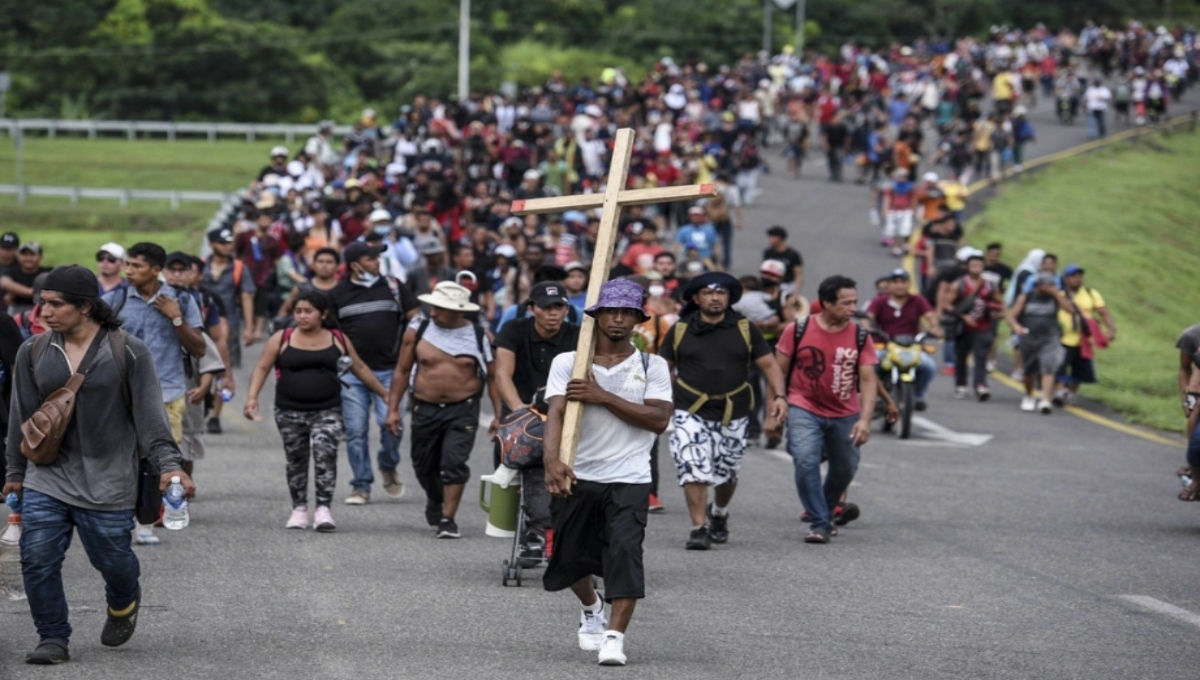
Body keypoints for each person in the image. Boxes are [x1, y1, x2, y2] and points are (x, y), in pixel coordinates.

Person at [4, 265, 195, 665]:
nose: (44, 311)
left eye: (56, 304)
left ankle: (124, 600)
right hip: (48, 475)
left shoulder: (128, 350)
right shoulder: (33, 350)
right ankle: (53, 638)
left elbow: (150, 419)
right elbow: (20, 416)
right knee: (37, 558)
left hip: (110, 479)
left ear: (86, 307)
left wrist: (169, 466)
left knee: (113, 560)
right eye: (42, 302)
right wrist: (15, 474)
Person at [542, 279, 673, 667]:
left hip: (630, 476)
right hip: (578, 473)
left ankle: (614, 638)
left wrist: (603, 397)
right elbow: (556, 413)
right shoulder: (569, 363)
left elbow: (658, 420)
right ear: (596, 316)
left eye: (627, 312)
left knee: (625, 552)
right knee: (569, 558)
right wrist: (552, 460)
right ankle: (591, 608)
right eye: (611, 311)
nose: (618, 318)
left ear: (637, 319)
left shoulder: (652, 365)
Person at [244, 289, 391, 532]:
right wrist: (251, 397)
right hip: (289, 411)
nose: (302, 316)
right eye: (298, 311)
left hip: (327, 409)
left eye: (308, 312)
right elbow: (262, 368)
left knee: (325, 454)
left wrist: (384, 394)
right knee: (296, 460)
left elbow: (361, 368)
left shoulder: (338, 339)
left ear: (323, 314)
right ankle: (299, 509)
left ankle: (323, 509)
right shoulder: (282, 338)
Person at [659, 272, 785, 550]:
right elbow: (661, 367)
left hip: (734, 411)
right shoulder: (681, 328)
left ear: (729, 298)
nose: (715, 298)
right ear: (696, 298)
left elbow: (769, 365)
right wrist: (656, 402)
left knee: (726, 473)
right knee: (693, 467)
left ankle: (719, 513)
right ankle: (698, 527)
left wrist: (779, 397)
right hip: (689, 409)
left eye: (721, 293)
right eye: (708, 292)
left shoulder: (744, 327)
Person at [104, 243, 206, 545]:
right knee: (121, 458)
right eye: (128, 264)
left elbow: (198, 348)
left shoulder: (182, 299)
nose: (129, 270)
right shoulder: (115, 300)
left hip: (168, 392)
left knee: (158, 461)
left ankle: (146, 522)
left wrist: (176, 318)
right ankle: (120, 518)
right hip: (121, 394)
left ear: (155, 269)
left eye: (136, 265)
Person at [385, 282, 499, 538]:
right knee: (423, 465)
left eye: (441, 309)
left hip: (463, 409)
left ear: (459, 311)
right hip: (425, 408)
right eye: (433, 307)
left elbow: (494, 378)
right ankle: (435, 499)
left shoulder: (480, 336)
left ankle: (448, 519)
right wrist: (393, 409)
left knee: (453, 463)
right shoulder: (418, 331)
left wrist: (500, 416)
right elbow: (402, 371)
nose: (433, 313)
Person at [775, 275, 878, 544]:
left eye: (854, 302)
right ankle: (820, 522)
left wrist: (865, 419)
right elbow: (778, 371)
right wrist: (775, 406)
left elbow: (868, 379)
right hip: (803, 406)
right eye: (846, 303)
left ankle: (826, 509)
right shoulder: (797, 330)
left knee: (846, 467)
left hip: (845, 413)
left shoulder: (860, 335)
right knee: (806, 459)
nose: (852, 308)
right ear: (827, 303)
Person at [492, 281, 580, 563]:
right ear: (532, 309)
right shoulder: (514, 329)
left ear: (566, 309)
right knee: (520, 459)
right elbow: (502, 374)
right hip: (524, 415)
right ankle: (534, 529)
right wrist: (520, 411)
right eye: (546, 308)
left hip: (564, 414)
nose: (553, 313)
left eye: (559, 307)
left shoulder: (578, 336)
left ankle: (555, 532)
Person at [328, 241, 419, 504]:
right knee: (356, 431)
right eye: (370, 259)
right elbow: (332, 334)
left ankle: (387, 464)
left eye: (377, 258)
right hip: (351, 374)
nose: (377, 262)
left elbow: (415, 319)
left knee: (392, 426)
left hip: (392, 372)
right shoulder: (338, 294)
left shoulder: (393, 288)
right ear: (354, 265)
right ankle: (361, 485)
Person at [202, 227, 256, 433]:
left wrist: (249, 327)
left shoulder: (239, 268)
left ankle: (215, 415)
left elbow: (246, 297)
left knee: (223, 371)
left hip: (228, 326)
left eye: (229, 243)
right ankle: (204, 402)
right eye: (222, 243)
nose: (227, 246)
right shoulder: (200, 265)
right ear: (212, 244)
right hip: (201, 325)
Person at [865, 268, 941, 411]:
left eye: (903, 282)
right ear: (889, 285)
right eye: (896, 282)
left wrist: (935, 328)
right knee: (870, 364)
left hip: (912, 346)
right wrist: (867, 326)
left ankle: (918, 396)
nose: (900, 285)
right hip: (886, 345)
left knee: (929, 366)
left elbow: (930, 316)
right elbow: (868, 318)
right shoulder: (879, 301)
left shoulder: (917, 300)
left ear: (909, 284)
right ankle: (872, 395)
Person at [1007, 273, 1075, 413]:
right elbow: (1012, 317)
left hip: (1050, 338)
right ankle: (1028, 395)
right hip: (1029, 338)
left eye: (1050, 286)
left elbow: (1070, 309)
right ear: (1037, 286)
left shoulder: (1055, 298)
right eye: (1045, 286)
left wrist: (1056, 293)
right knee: (1029, 371)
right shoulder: (1026, 297)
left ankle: (1045, 399)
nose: (1047, 289)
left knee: (1048, 367)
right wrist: (1017, 327)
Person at [1054, 265, 1116, 405]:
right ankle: (1059, 391)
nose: (1077, 279)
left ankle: (1071, 393)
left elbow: (1103, 311)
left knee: (1080, 368)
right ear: (1065, 279)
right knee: (1059, 366)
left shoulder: (1090, 293)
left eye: (1079, 276)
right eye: (1073, 276)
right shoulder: (1059, 294)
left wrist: (1111, 329)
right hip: (1062, 337)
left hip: (1083, 339)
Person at [948, 252, 1003, 401]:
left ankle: (980, 385)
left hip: (983, 327)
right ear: (967, 267)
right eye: (973, 265)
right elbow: (948, 304)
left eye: (979, 265)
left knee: (981, 357)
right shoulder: (959, 284)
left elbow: (1000, 303)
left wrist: (998, 313)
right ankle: (961, 384)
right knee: (961, 358)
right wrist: (963, 316)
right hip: (963, 328)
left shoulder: (990, 285)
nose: (976, 268)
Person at [1, 242, 51, 317]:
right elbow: (5, 283)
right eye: (25, 255)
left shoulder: (47, 272)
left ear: (40, 257)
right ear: (19, 257)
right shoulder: (12, 271)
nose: (28, 258)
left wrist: (17, 292)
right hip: (17, 311)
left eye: (32, 255)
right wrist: (34, 293)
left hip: (41, 310)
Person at [761, 225, 804, 296]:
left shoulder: (792, 255)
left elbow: (798, 275)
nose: (769, 239)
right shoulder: (768, 253)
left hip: (787, 286)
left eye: (772, 237)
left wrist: (795, 293)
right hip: (769, 286)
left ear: (780, 238)